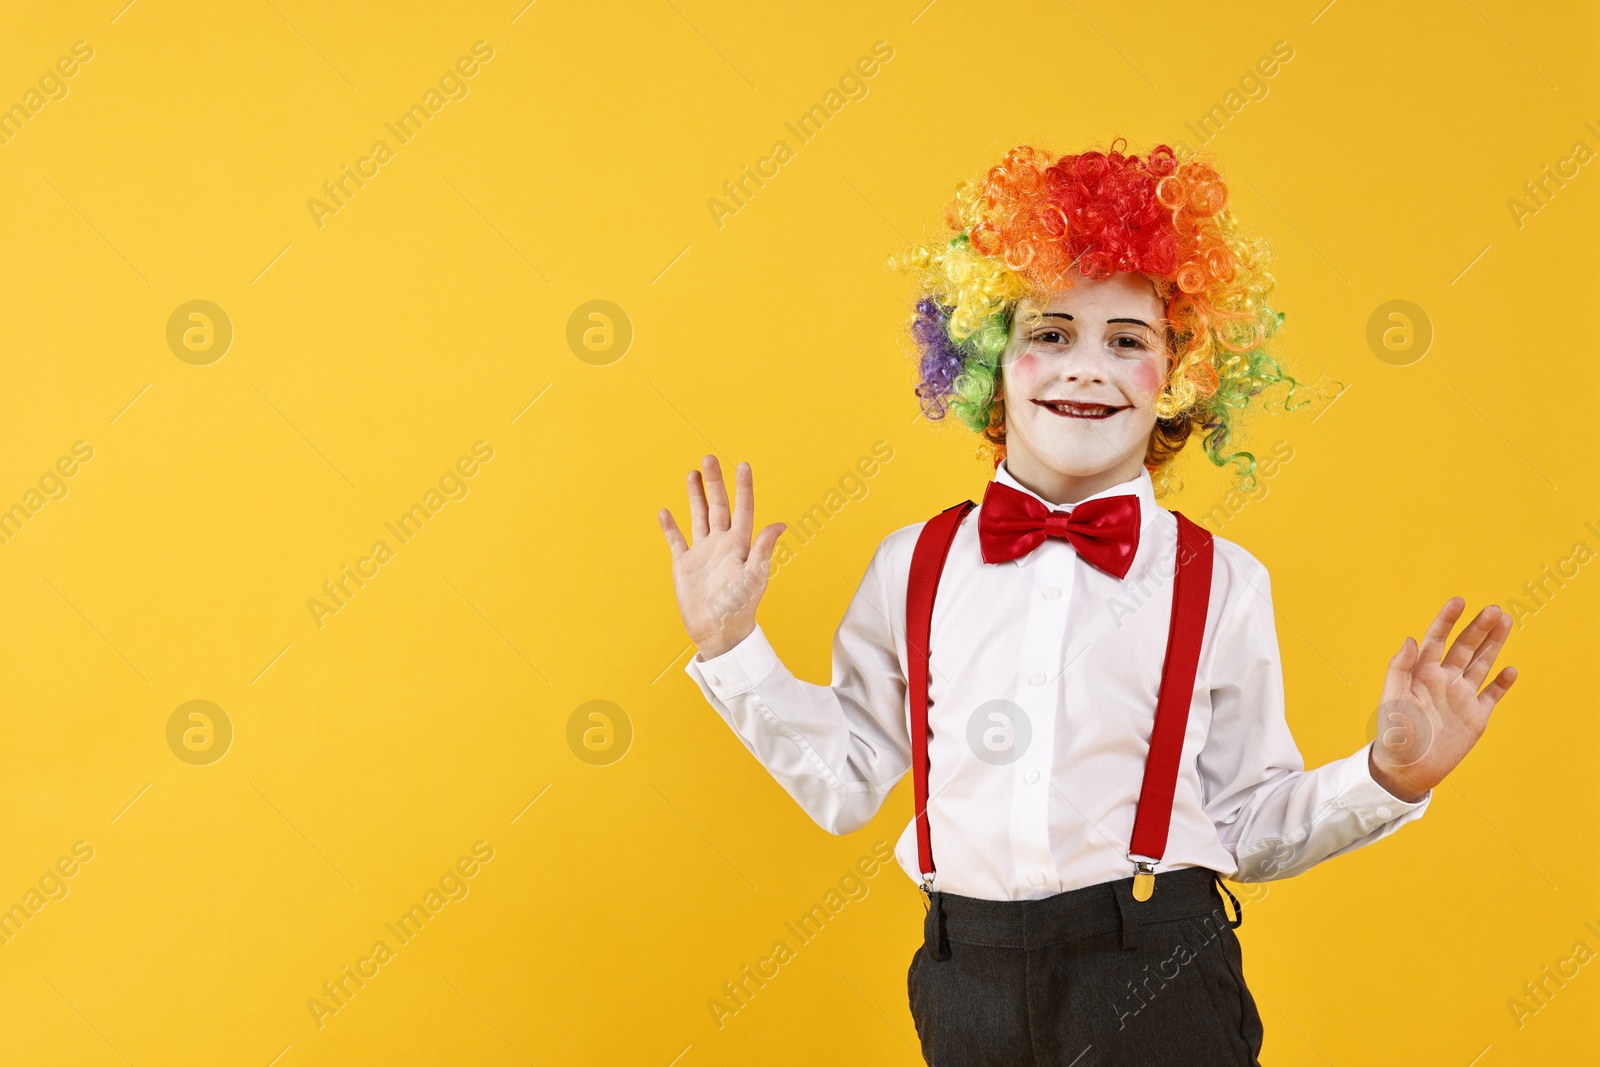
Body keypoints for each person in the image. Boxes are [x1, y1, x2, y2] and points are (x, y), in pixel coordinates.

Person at [657, 141, 1517, 1065]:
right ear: (989, 355)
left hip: (1157, 972)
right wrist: (731, 644)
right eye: (1051, 333)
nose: (1088, 368)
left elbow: (1243, 824)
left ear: (1182, 374)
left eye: (1129, 342)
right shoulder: (914, 563)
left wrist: (1386, 779)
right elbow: (845, 779)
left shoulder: (1221, 578)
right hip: (965, 979)